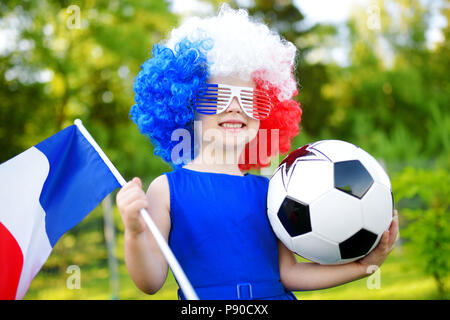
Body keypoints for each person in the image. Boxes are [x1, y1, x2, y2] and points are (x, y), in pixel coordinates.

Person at [116, 4, 399, 300]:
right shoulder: (166, 190)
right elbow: (150, 282)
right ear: (185, 106)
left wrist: (364, 266)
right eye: (217, 96)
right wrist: (135, 232)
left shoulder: (275, 190)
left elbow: (289, 274)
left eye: (251, 100)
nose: (236, 107)